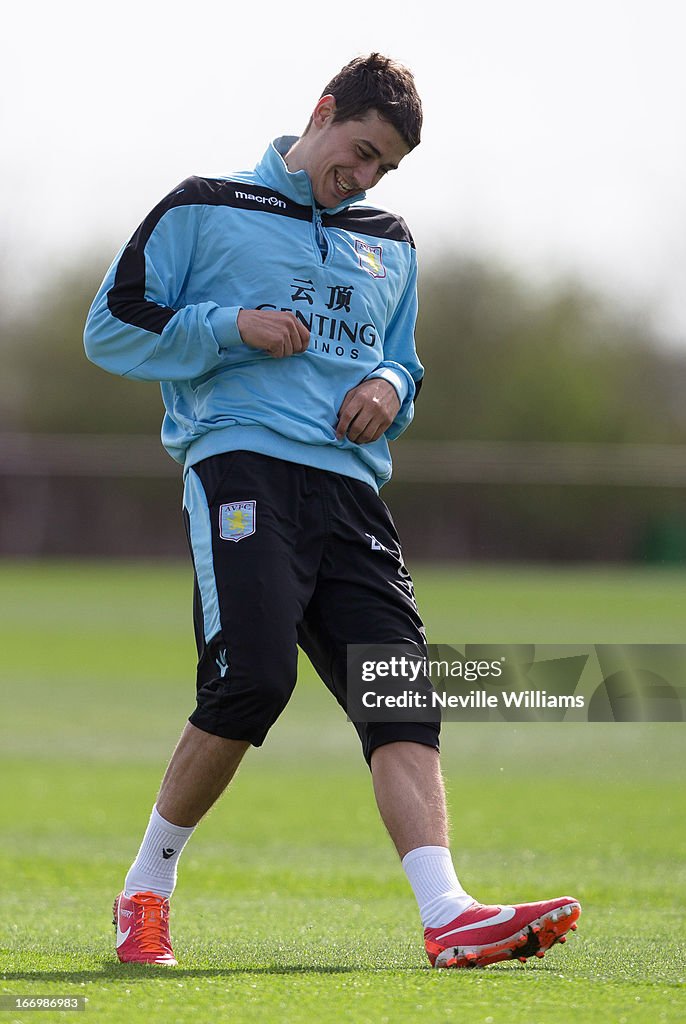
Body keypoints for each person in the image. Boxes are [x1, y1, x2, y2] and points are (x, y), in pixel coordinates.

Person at [84, 52, 580, 970]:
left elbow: (405, 359)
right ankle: (144, 894)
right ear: (320, 112)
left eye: (383, 167)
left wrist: (391, 386)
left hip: (350, 489)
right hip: (242, 468)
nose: (362, 178)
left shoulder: (388, 237)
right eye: (356, 153)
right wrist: (233, 327)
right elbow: (110, 326)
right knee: (251, 682)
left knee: (401, 696)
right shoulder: (203, 204)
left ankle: (447, 915)